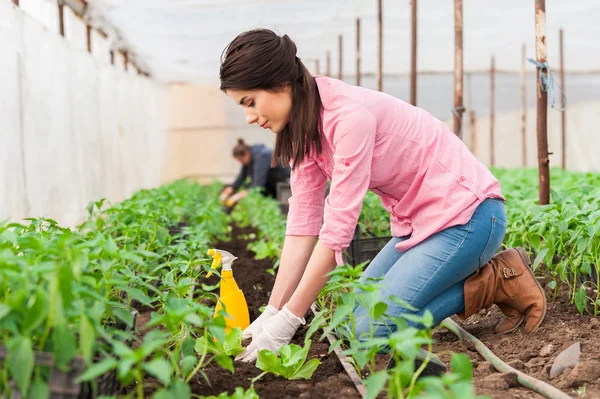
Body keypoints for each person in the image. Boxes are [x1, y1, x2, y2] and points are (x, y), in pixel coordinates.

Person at [218, 29, 547, 370]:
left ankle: (497, 281)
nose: (250, 118)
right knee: (347, 324)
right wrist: (273, 311)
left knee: (368, 332)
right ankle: (482, 282)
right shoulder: (303, 128)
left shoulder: (348, 118)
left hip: (468, 217)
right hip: (416, 225)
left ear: (280, 83)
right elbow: (302, 225)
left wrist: (290, 320)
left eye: (250, 102)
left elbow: (335, 235)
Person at [219, 138, 291, 207]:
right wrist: (231, 188)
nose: (241, 162)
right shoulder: (250, 158)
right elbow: (242, 176)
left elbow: (258, 183)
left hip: (285, 183)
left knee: (283, 208)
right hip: (274, 184)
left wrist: (239, 195)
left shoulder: (262, 156)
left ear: (246, 153)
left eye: (241, 160)